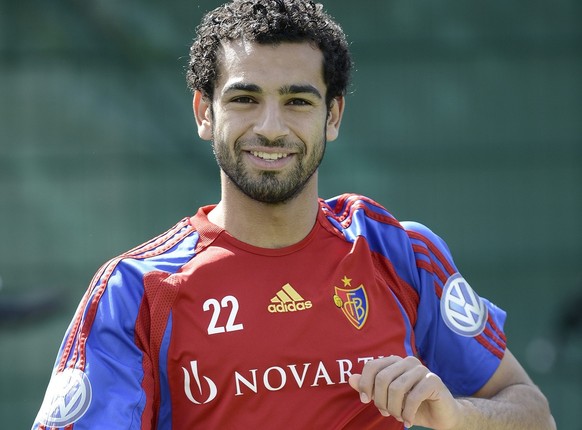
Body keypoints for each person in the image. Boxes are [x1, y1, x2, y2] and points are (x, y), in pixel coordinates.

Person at [32, 1, 556, 429]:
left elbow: (532, 412)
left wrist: (455, 413)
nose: (272, 127)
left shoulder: (397, 252)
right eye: (244, 98)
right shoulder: (135, 291)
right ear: (204, 113)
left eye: (298, 101)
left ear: (333, 115)